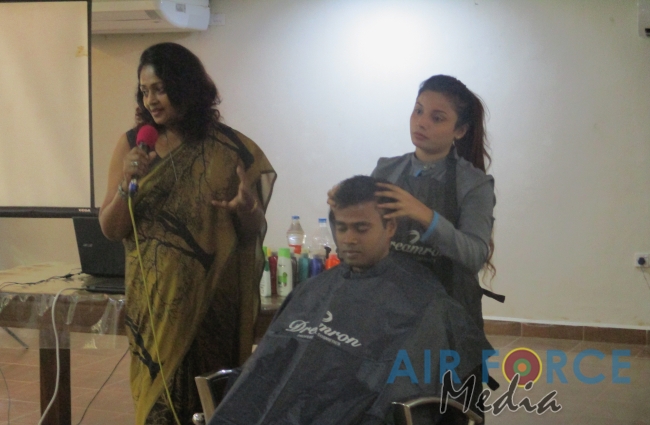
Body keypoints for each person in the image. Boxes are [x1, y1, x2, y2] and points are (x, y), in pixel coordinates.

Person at [208, 175, 491, 425]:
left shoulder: (426, 303)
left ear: (390, 227)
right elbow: (265, 369)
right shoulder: (313, 290)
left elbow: (403, 393)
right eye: (342, 228)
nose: (349, 239)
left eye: (361, 228)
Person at [98, 42, 276, 425]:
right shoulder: (132, 145)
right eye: (144, 91)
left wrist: (247, 209)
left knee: (209, 406)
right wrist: (127, 183)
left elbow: (252, 231)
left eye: (160, 89)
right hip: (155, 306)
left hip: (213, 304)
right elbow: (111, 229)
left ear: (187, 87)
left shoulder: (230, 150)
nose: (151, 100)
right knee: (158, 409)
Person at [332, 75, 498, 330]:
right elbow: (365, 239)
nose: (421, 122)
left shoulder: (474, 184)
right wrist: (341, 210)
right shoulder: (386, 171)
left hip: (446, 319)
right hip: (386, 312)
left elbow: (475, 256)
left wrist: (426, 216)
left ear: (460, 131)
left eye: (437, 118)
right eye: (418, 111)